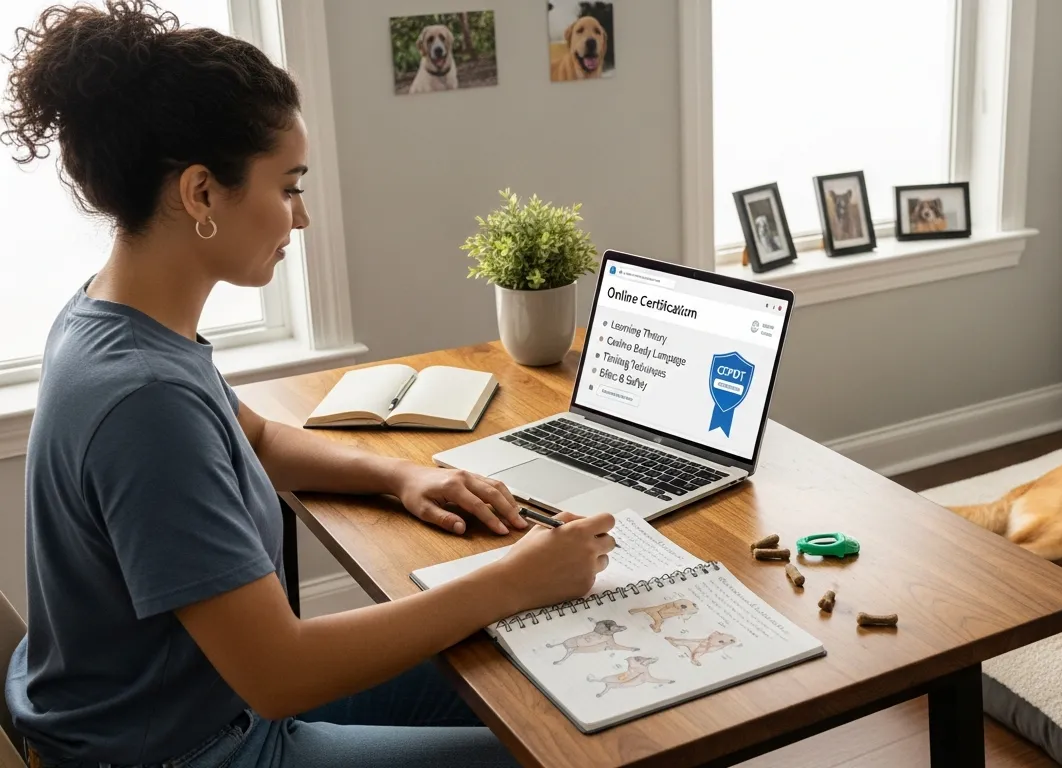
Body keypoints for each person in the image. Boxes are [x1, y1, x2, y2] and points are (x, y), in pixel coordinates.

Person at [0, 2, 615, 766]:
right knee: (567, 752)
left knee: (542, 679)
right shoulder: (142, 400)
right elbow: (281, 675)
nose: (302, 218)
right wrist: (511, 580)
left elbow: (252, 440)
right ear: (200, 194)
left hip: (190, 710)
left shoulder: (112, 318)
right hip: (194, 749)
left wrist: (400, 477)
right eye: (288, 187)